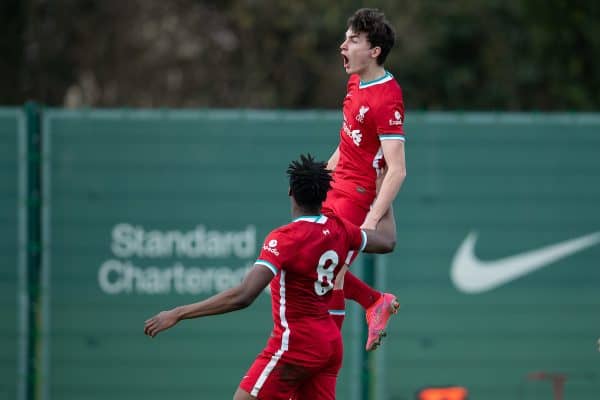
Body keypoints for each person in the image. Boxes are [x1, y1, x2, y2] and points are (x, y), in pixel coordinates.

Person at [144, 154, 396, 400]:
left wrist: (178, 313)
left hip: (296, 345)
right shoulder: (340, 229)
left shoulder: (285, 238)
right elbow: (387, 241)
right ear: (323, 196)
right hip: (329, 344)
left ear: (291, 193)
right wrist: (384, 192)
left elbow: (243, 296)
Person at [322, 8, 407, 351]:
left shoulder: (387, 98)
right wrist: (322, 175)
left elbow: (397, 169)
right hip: (334, 187)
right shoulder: (355, 79)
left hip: (355, 196)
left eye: (353, 40)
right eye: (345, 37)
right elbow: (348, 140)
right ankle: (375, 301)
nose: (343, 45)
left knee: (328, 272)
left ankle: (323, 357)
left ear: (374, 51)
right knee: (318, 269)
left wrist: (371, 220)